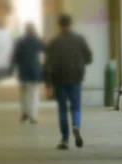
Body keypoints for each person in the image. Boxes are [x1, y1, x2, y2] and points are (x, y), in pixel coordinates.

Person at [44, 14, 92, 150]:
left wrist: (48, 83)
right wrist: (80, 64)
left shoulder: (54, 42)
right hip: (76, 78)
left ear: (59, 25)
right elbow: (89, 57)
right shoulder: (79, 40)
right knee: (76, 106)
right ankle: (76, 126)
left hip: (59, 80)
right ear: (70, 24)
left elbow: (48, 65)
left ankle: (64, 139)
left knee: (62, 110)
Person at [11, 23, 45, 124]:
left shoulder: (20, 42)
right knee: (34, 93)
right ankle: (33, 116)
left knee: (23, 93)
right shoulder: (37, 41)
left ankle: (24, 112)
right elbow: (44, 48)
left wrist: (13, 68)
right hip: (34, 71)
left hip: (23, 71)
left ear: (25, 30)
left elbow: (15, 57)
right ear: (34, 30)